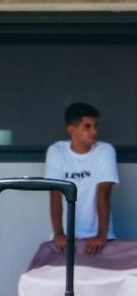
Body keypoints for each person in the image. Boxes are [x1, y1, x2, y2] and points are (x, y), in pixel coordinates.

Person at [46, 102, 118, 256]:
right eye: (87, 126)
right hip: (66, 239)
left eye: (95, 125)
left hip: (101, 238)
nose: (94, 131)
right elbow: (55, 193)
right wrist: (59, 233)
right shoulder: (56, 151)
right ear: (72, 130)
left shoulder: (105, 150)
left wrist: (101, 235)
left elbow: (104, 192)